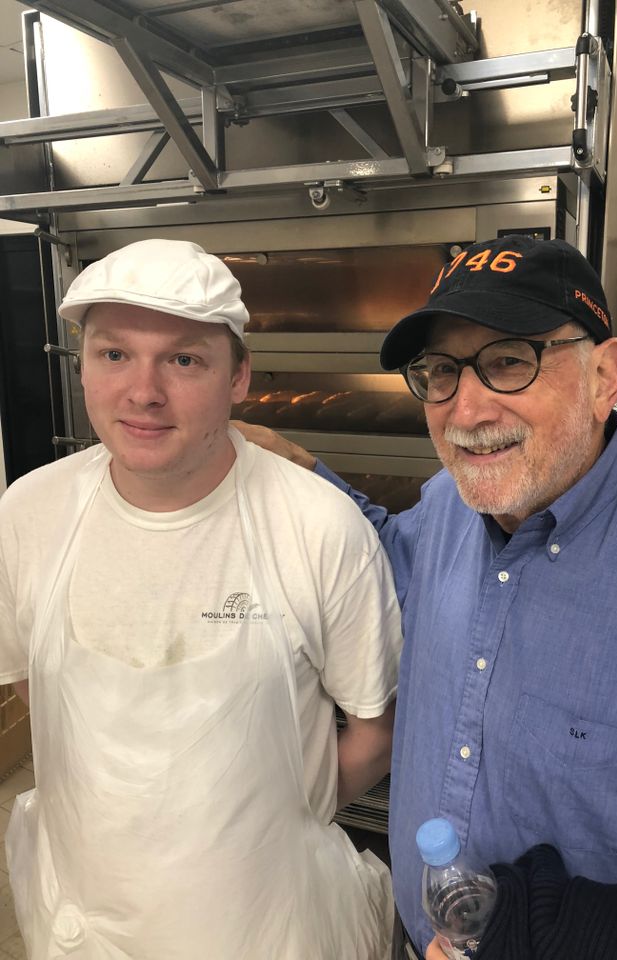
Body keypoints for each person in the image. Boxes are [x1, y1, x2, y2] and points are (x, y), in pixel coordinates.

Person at [233, 235, 617, 959]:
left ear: (603, 376)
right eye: (438, 371)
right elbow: (388, 559)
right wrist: (296, 469)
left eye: (508, 362)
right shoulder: (447, 508)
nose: (465, 409)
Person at [0, 238, 402, 960]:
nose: (143, 391)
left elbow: (375, 731)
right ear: (82, 363)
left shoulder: (317, 526)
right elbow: (42, 689)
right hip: (83, 917)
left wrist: (263, 822)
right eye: (113, 354)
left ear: (240, 375)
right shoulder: (29, 512)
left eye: (183, 360)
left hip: (267, 923)